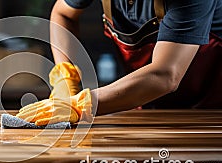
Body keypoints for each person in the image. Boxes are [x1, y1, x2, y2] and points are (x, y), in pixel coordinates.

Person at [16, 0, 222, 126]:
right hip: (149, 112)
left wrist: (81, 106)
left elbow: (165, 75)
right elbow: (63, 14)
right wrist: (65, 77)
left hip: (211, 116)